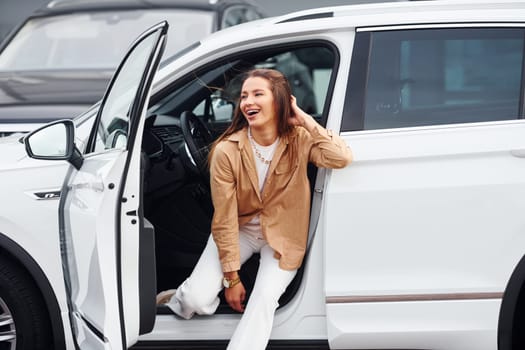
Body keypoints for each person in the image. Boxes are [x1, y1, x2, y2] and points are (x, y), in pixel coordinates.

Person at [156, 68, 352, 350]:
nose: (248, 102)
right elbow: (223, 218)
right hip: (240, 228)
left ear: (280, 101)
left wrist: (304, 119)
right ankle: (176, 296)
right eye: (244, 96)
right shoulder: (227, 150)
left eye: (258, 94)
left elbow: (341, 157)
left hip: (284, 236)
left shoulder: (299, 138)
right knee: (195, 301)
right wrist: (231, 277)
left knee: (264, 299)